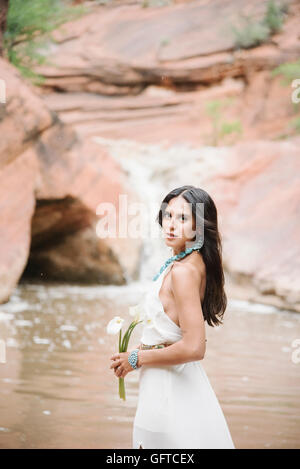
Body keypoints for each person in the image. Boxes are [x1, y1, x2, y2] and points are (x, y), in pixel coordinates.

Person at [110, 185, 235, 449]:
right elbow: (172, 332)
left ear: (198, 227)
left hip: (168, 388)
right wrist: (140, 349)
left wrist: (137, 358)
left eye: (182, 218)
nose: (171, 225)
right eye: (168, 215)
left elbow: (194, 347)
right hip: (175, 383)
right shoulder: (192, 262)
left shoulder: (183, 271)